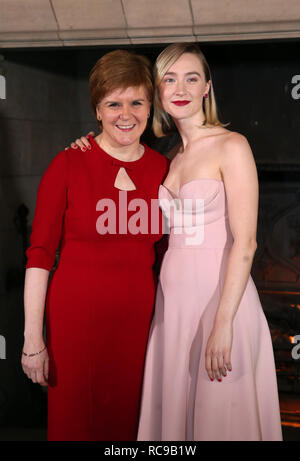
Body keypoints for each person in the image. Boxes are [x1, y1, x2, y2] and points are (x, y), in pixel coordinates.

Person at [69, 43, 283, 441]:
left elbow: (247, 243)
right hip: (172, 309)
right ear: (159, 92)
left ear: (206, 88)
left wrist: (223, 322)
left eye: (191, 78)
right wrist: (87, 143)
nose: (180, 87)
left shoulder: (232, 145)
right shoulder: (169, 157)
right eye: (169, 78)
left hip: (221, 303)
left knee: (220, 419)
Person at [22, 50, 168, 441]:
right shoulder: (68, 164)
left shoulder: (162, 169)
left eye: (137, 102)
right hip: (75, 324)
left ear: (151, 107)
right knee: (74, 424)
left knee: (127, 426)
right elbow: (38, 255)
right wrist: (32, 339)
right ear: (98, 110)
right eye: (113, 103)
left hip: (138, 325)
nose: (126, 114)